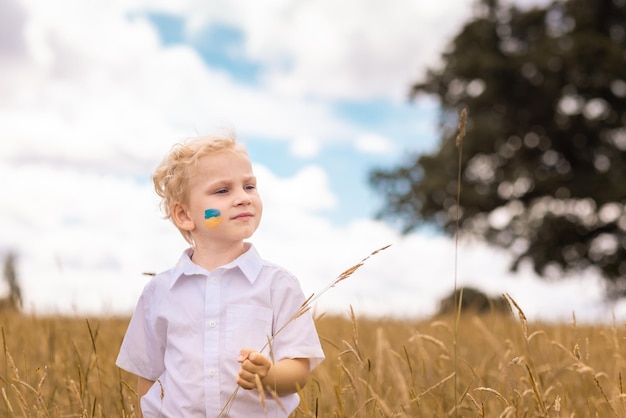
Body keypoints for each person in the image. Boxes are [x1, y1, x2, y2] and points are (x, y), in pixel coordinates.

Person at [116, 131, 325, 417]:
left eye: (249, 186)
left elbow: (299, 370)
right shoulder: (159, 292)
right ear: (185, 216)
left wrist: (269, 376)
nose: (242, 198)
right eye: (222, 191)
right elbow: (148, 375)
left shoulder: (279, 285)